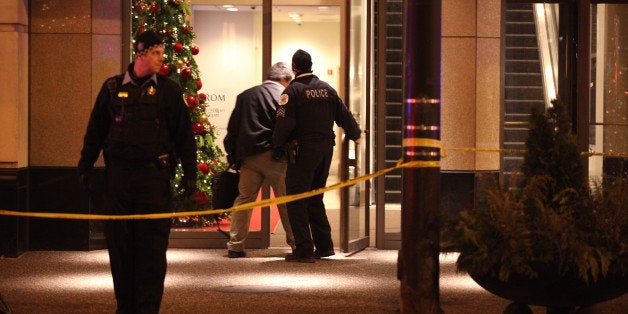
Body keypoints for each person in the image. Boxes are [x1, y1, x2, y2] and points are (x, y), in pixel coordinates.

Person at [77, 30, 197, 313]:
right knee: (120, 249)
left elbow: (184, 136)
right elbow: (95, 131)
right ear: (140, 54)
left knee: (152, 250)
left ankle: (147, 308)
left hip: (154, 181)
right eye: (156, 53)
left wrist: (190, 174)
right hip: (118, 181)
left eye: (161, 53)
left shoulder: (169, 90)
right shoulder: (111, 88)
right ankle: (125, 306)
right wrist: (85, 166)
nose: (161, 59)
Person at [273, 49, 362, 263]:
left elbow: (284, 124)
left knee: (296, 199)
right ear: (310, 65)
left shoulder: (292, 92)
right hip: (325, 151)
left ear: (294, 67)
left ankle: (303, 249)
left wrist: (276, 147)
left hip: (302, 152)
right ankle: (324, 246)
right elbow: (344, 115)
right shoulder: (327, 89)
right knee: (315, 198)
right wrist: (356, 135)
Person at [223, 62, 296, 258]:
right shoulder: (283, 96)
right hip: (276, 157)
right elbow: (286, 126)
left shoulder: (246, 95)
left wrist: (232, 156)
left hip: (249, 157)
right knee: (286, 201)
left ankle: (235, 245)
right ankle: (296, 244)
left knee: (244, 200)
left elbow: (233, 129)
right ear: (284, 80)